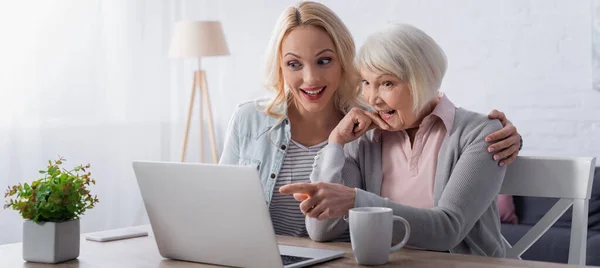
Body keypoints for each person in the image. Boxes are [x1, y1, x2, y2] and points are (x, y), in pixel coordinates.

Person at [220, 1, 521, 241]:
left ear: (342, 62)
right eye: (293, 64)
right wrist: (336, 145)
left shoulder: (371, 124)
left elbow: (436, 111)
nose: (310, 77)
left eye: (324, 60)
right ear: (280, 66)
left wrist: (507, 135)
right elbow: (220, 203)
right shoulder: (360, 131)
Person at [280, 23, 510, 257]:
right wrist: (335, 144)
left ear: (425, 79)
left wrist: (357, 201)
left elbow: (448, 230)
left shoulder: (480, 133)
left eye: (387, 83)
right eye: (366, 83)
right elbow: (322, 230)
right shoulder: (364, 139)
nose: (372, 98)